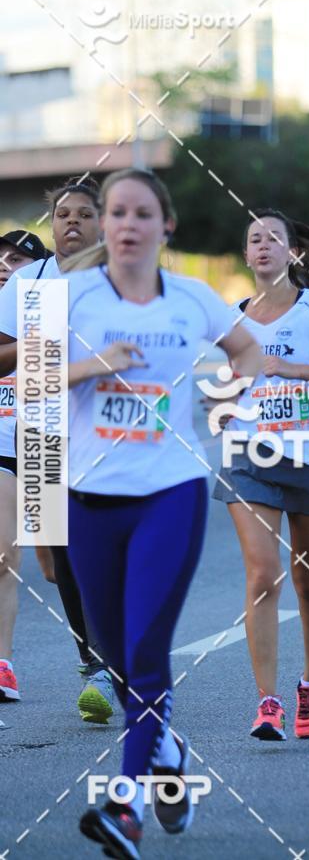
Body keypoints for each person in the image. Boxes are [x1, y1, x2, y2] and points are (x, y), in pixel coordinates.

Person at [56, 168, 262, 856]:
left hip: (169, 490)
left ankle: (126, 802)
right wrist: (93, 367)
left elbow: (248, 351)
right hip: (89, 496)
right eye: (117, 212)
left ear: (164, 226)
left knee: (146, 649)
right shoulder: (70, 296)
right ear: (106, 225)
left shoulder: (194, 299)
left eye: (142, 213)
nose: (127, 224)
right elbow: (21, 372)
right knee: (116, 657)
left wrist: (233, 395)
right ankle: (168, 755)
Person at [214, 209, 309, 742]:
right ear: (245, 254)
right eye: (254, 239)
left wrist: (294, 369)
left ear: (292, 252)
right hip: (249, 454)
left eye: (273, 238)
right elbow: (221, 381)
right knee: (262, 575)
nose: (263, 246)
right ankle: (268, 703)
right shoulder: (231, 319)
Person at [0, 176, 117, 724]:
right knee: (60, 554)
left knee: (103, 548)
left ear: (104, 222)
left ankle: (110, 658)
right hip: (42, 429)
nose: (71, 222)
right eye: (63, 214)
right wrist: (32, 343)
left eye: (83, 214)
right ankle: (93, 661)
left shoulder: (121, 280)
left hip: (108, 431)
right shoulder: (28, 283)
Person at [0, 230, 50, 701]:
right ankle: (3, 664)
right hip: (1, 448)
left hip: (42, 444)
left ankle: (93, 657)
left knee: (58, 567)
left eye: (15, 258)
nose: (3, 264)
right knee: (5, 556)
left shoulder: (54, 309)